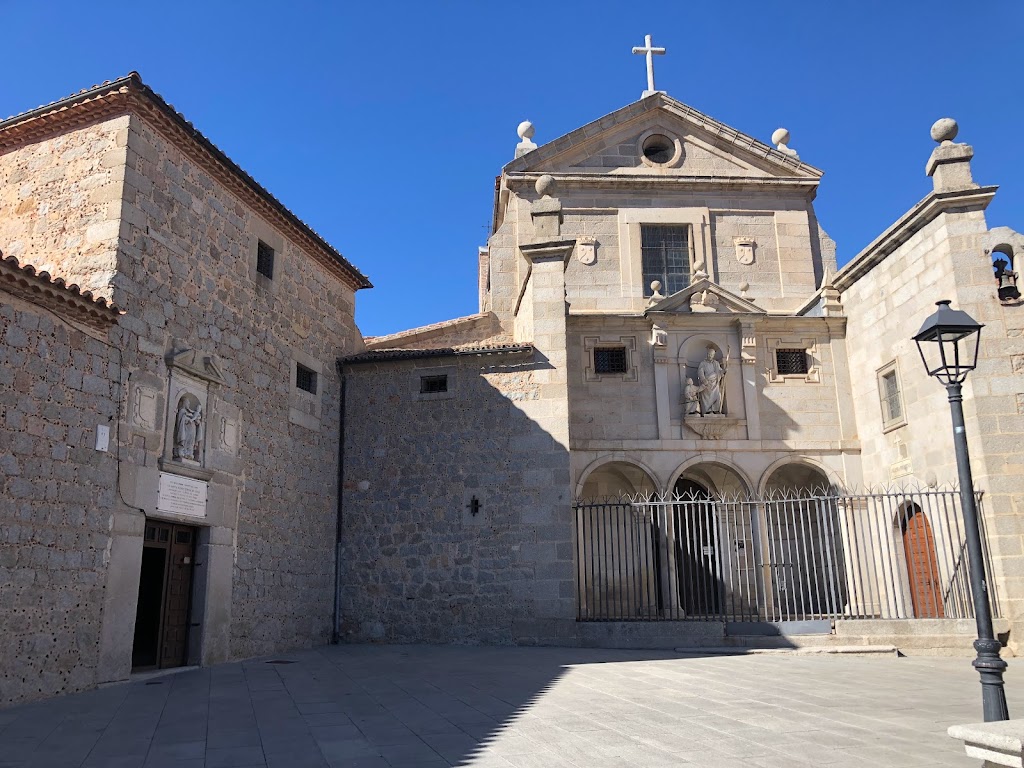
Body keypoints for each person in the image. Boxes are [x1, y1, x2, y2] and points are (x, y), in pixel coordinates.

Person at [696, 346, 726, 414]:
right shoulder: (703, 363)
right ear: (707, 354)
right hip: (707, 383)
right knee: (707, 398)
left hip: (715, 383)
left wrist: (724, 371)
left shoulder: (716, 363)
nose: (710, 356)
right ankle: (708, 411)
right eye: (709, 354)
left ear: (713, 355)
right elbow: (700, 372)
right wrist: (703, 380)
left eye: (711, 355)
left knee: (718, 396)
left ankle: (716, 410)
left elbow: (719, 371)